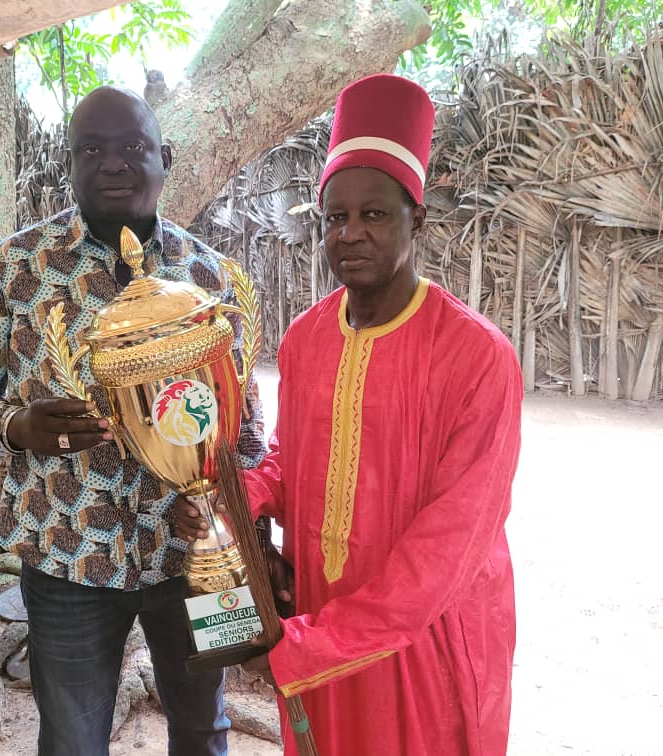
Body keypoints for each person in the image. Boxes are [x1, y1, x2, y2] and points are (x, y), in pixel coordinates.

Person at [176, 74, 523, 756]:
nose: (351, 233)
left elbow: (450, 544)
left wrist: (310, 644)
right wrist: (233, 502)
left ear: (416, 219)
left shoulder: (478, 356)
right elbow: (293, 455)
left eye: (375, 215)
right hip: (317, 609)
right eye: (337, 217)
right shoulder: (306, 338)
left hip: (427, 641)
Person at [0, 86, 264, 756]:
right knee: (71, 740)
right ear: (70, 162)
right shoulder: (17, 266)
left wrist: (225, 514)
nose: (111, 163)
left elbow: (249, 433)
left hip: (194, 561)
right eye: (92, 148)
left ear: (164, 158)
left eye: (131, 147)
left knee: (206, 730)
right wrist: (19, 426)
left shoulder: (210, 274)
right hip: (68, 559)